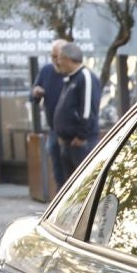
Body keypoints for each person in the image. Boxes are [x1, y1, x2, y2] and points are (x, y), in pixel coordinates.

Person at [50, 41, 103, 193]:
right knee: (72, 188)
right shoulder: (70, 78)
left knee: (84, 186)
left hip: (80, 143)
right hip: (67, 142)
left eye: (59, 58)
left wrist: (81, 136)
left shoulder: (85, 77)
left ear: (67, 59)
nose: (57, 62)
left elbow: (87, 110)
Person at [32, 40, 68, 188]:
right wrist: (36, 92)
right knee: (54, 154)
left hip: (72, 128)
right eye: (52, 56)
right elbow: (34, 93)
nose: (55, 61)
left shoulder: (74, 74)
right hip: (54, 127)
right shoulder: (47, 70)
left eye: (57, 57)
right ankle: (61, 194)